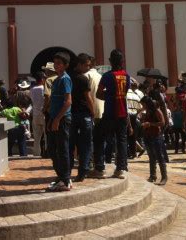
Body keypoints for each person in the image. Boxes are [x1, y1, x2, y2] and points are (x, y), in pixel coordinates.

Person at [96, 49, 132, 179]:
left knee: (101, 137)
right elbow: (125, 92)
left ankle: (100, 168)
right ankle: (120, 169)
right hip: (122, 112)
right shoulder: (127, 76)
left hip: (110, 112)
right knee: (122, 141)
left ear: (110, 61)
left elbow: (98, 94)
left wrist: (109, 96)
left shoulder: (106, 76)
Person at [47, 52, 72, 192]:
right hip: (54, 118)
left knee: (62, 149)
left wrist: (57, 119)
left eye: (59, 63)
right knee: (52, 148)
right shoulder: (56, 80)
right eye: (55, 63)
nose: (56, 66)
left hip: (62, 119)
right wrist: (51, 118)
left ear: (65, 65)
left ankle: (65, 179)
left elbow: (68, 101)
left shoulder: (65, 79)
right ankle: (61, 176)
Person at [69, 53, 94, 182]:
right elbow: (88, 98)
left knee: (70, 144)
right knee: (85, 144)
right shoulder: (83, 79)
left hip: (71, 114)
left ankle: (67, 171)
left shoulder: (68, 77)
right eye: (86, 65)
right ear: (80, 64)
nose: (88, 68)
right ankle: (83, 171)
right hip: (84, 114)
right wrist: (93, 112)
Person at [140, 96, 167, 185]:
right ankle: (153, 176)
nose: (142, 106)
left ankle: (164, 177)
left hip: (156, 136)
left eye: (143, 104)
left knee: (159, 157)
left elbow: (162, 122)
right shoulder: (147, 111)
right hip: (148, 136)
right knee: (151, 157)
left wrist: (150, 124)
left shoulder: (156, 111)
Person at [30, 71, 46, 157]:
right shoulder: (44, 88)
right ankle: (47, 152)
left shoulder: (32, 89)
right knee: (46, 136)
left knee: (36, 137)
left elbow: (32, 101)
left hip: (35, 114)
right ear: (43, 79)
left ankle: (36, 154)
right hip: (43, 114)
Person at [172, 88, 186, 154]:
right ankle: (177, 149)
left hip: (181, 125)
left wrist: (183, 125)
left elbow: (184, 118)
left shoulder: (182, 111)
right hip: (176, 125)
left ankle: (182, 149)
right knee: (177, 138)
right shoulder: (175, 110)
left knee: (183, 138)